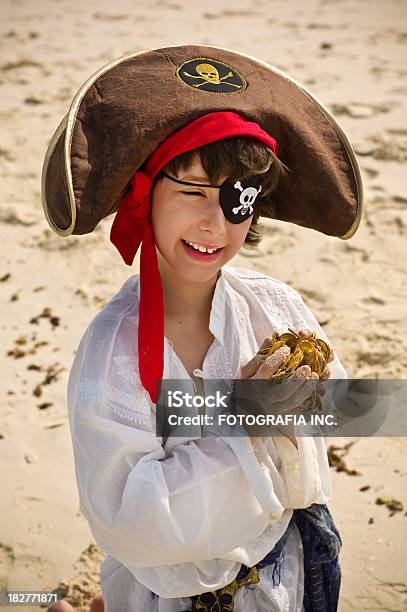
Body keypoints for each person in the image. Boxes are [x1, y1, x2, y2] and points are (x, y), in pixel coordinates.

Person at [43, 46, 362, 612]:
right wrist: (246, 420)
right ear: (145, 198)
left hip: (288, 580)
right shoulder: (111, 350)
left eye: (238, 201)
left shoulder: (275, 309)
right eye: (191, 192)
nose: (215, 223)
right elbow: (128, 519)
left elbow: (342, 412)